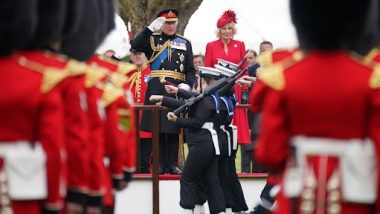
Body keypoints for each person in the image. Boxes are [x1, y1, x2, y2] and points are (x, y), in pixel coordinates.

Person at [250, 0, 379, 214]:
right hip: (354, 203)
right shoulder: (372, 80)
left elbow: (270, 154)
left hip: (298, 202)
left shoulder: (281, 79)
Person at [131, 8, 196, 175]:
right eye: (167, 23)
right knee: (157, 127)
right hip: (156, 86)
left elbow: (190, 69)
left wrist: (186, 86)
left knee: (173, 126)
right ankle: (158, 164)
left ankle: (172, 164)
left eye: (173, 23)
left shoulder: (185, 42)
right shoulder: (152, 39)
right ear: (161, 24)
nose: (170, 26)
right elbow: (135, 46)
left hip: (176, 87)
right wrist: (149, 29)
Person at [127, 47, 153, 173]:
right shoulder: (126, 73)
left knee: (145, 156)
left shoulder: (152, 72)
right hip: (130, 119)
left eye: (140, 53)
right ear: (130, 56)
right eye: (134, 54)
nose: (137, 56)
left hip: (147, 118)